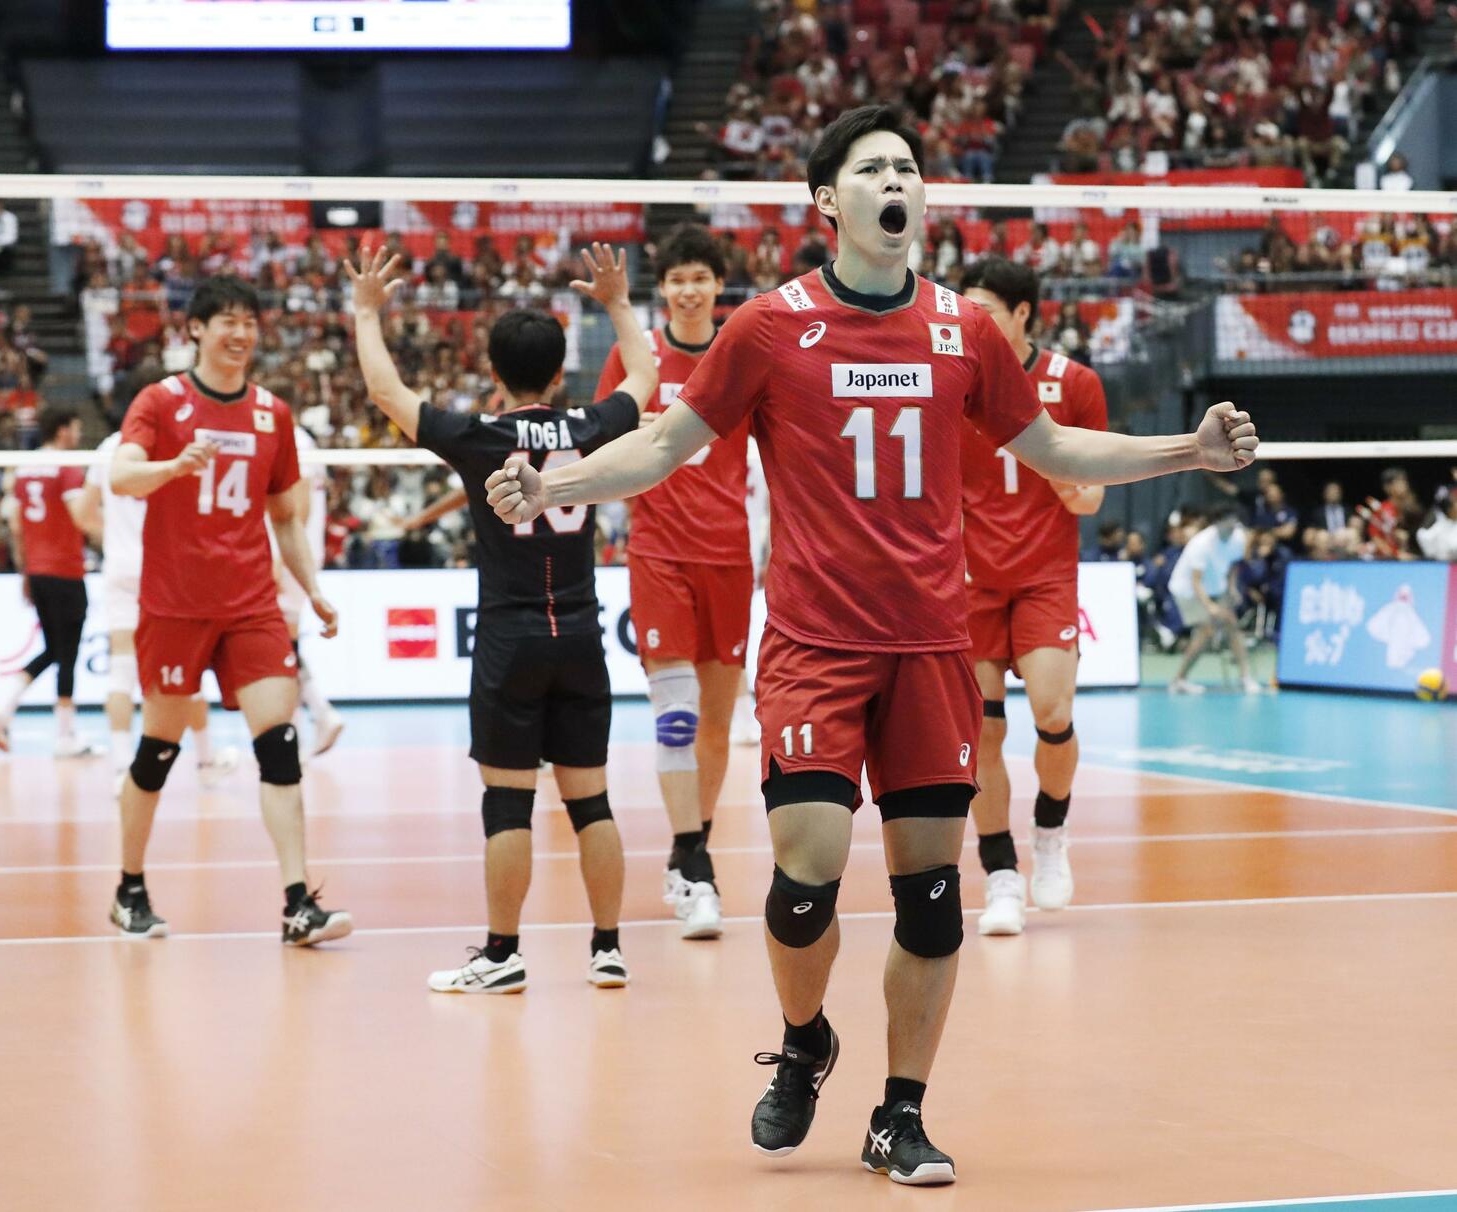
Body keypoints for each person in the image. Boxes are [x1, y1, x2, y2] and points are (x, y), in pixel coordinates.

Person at [484, 104, 1259, 1185]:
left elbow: (1051, 446)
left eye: (908, 167)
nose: (898, 179)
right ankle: (806, 1042)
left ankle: (900, 1113)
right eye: (874, 167)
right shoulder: (768, 327)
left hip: (932, 648)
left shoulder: (966, 330)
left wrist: (1187, 446)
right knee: (802, 883)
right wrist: (551, 483)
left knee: (930, 895)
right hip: (813, 644)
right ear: (827, 201)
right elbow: (663, 445)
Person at [348, 241, 655, 994]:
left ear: (493, 374)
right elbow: (645, 378)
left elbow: (388, 392)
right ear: (559, 374)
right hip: (580, 633)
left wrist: (365, 313)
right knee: (593, 801)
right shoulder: (588, 426)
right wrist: (617, 302)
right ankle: (608, 948)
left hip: (510, 637)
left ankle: (503, 953)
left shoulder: (479, 437)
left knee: (508, 801)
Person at [109, 275, 351, 946]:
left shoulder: (274, 414)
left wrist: (314, 589)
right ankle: (129, 885)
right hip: (175, 605)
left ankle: (299, 901)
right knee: (158, 750)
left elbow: (287, 518)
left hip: (250, 604)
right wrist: (173, 468)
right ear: (197, 329)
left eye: (249, 322)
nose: (240, 334)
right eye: (227, 322)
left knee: (279, 745)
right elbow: (120, 475)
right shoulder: (160, 402)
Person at [594, 222, 752, 942]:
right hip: (659, 550)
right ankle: (696, 869)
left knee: (718, 726)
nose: (689, 290)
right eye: (678, 279)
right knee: (678, 718)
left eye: (701, 278)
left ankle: (692, 846)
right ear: (664, 290)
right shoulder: (642, 357)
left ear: (719, 287)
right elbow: (605, 434)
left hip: (730, 556)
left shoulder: (743, 353)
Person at [956, 257, 1108, 938]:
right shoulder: (950, 381)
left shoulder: (1075, 383)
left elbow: (1094, 487)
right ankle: (1000, 876)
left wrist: (1078, 489)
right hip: (969, 580)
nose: (968, 321)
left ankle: (1050, 830)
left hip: (1045, 574)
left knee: (1053, 710)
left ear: (1022, 313)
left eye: (982, 309)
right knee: (982, 729)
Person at [78, 427, 241, 791]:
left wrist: (115, 538)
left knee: (121, 669)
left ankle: (122, 769)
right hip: (164, 569)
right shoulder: (172, 441)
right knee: (187, 669)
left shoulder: (107, 444)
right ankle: (205, 760)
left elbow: (84, 512)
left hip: (121, 568)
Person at [0, 406, 102, 757]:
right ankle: (65, 736)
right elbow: (81, 517)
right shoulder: (66, 466)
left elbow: (17, 525)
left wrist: (24, 571)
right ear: (63, 430)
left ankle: (3, 706)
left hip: (36, 570)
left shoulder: (23, 467)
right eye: (76, 427)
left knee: (54, 649)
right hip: (65, 571)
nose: (78, 435)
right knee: (67, 654)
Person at [268, 414, 344, 757]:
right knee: (284, 646)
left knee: (280, 649)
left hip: (290, 558)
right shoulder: (306, 441)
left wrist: (280, 558)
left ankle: (308, 723)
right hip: (302, 555)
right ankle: (318, 714)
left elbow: (297, 509)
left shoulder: (293, 442)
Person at [1167, 505, 1258, 694]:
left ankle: (1245, 677)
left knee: (1232, 624)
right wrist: (1210, 607)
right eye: (1228, 521)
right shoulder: (1201, 544)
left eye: (1235, 521)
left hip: (1216, 586)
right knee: (1206, 631)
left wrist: (1232, 587)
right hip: (1188, 591)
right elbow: (1196, 581)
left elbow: (1234, 564)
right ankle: (1179, 680)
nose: (1233, 525)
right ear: (1217, 523)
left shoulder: (1238, 537)